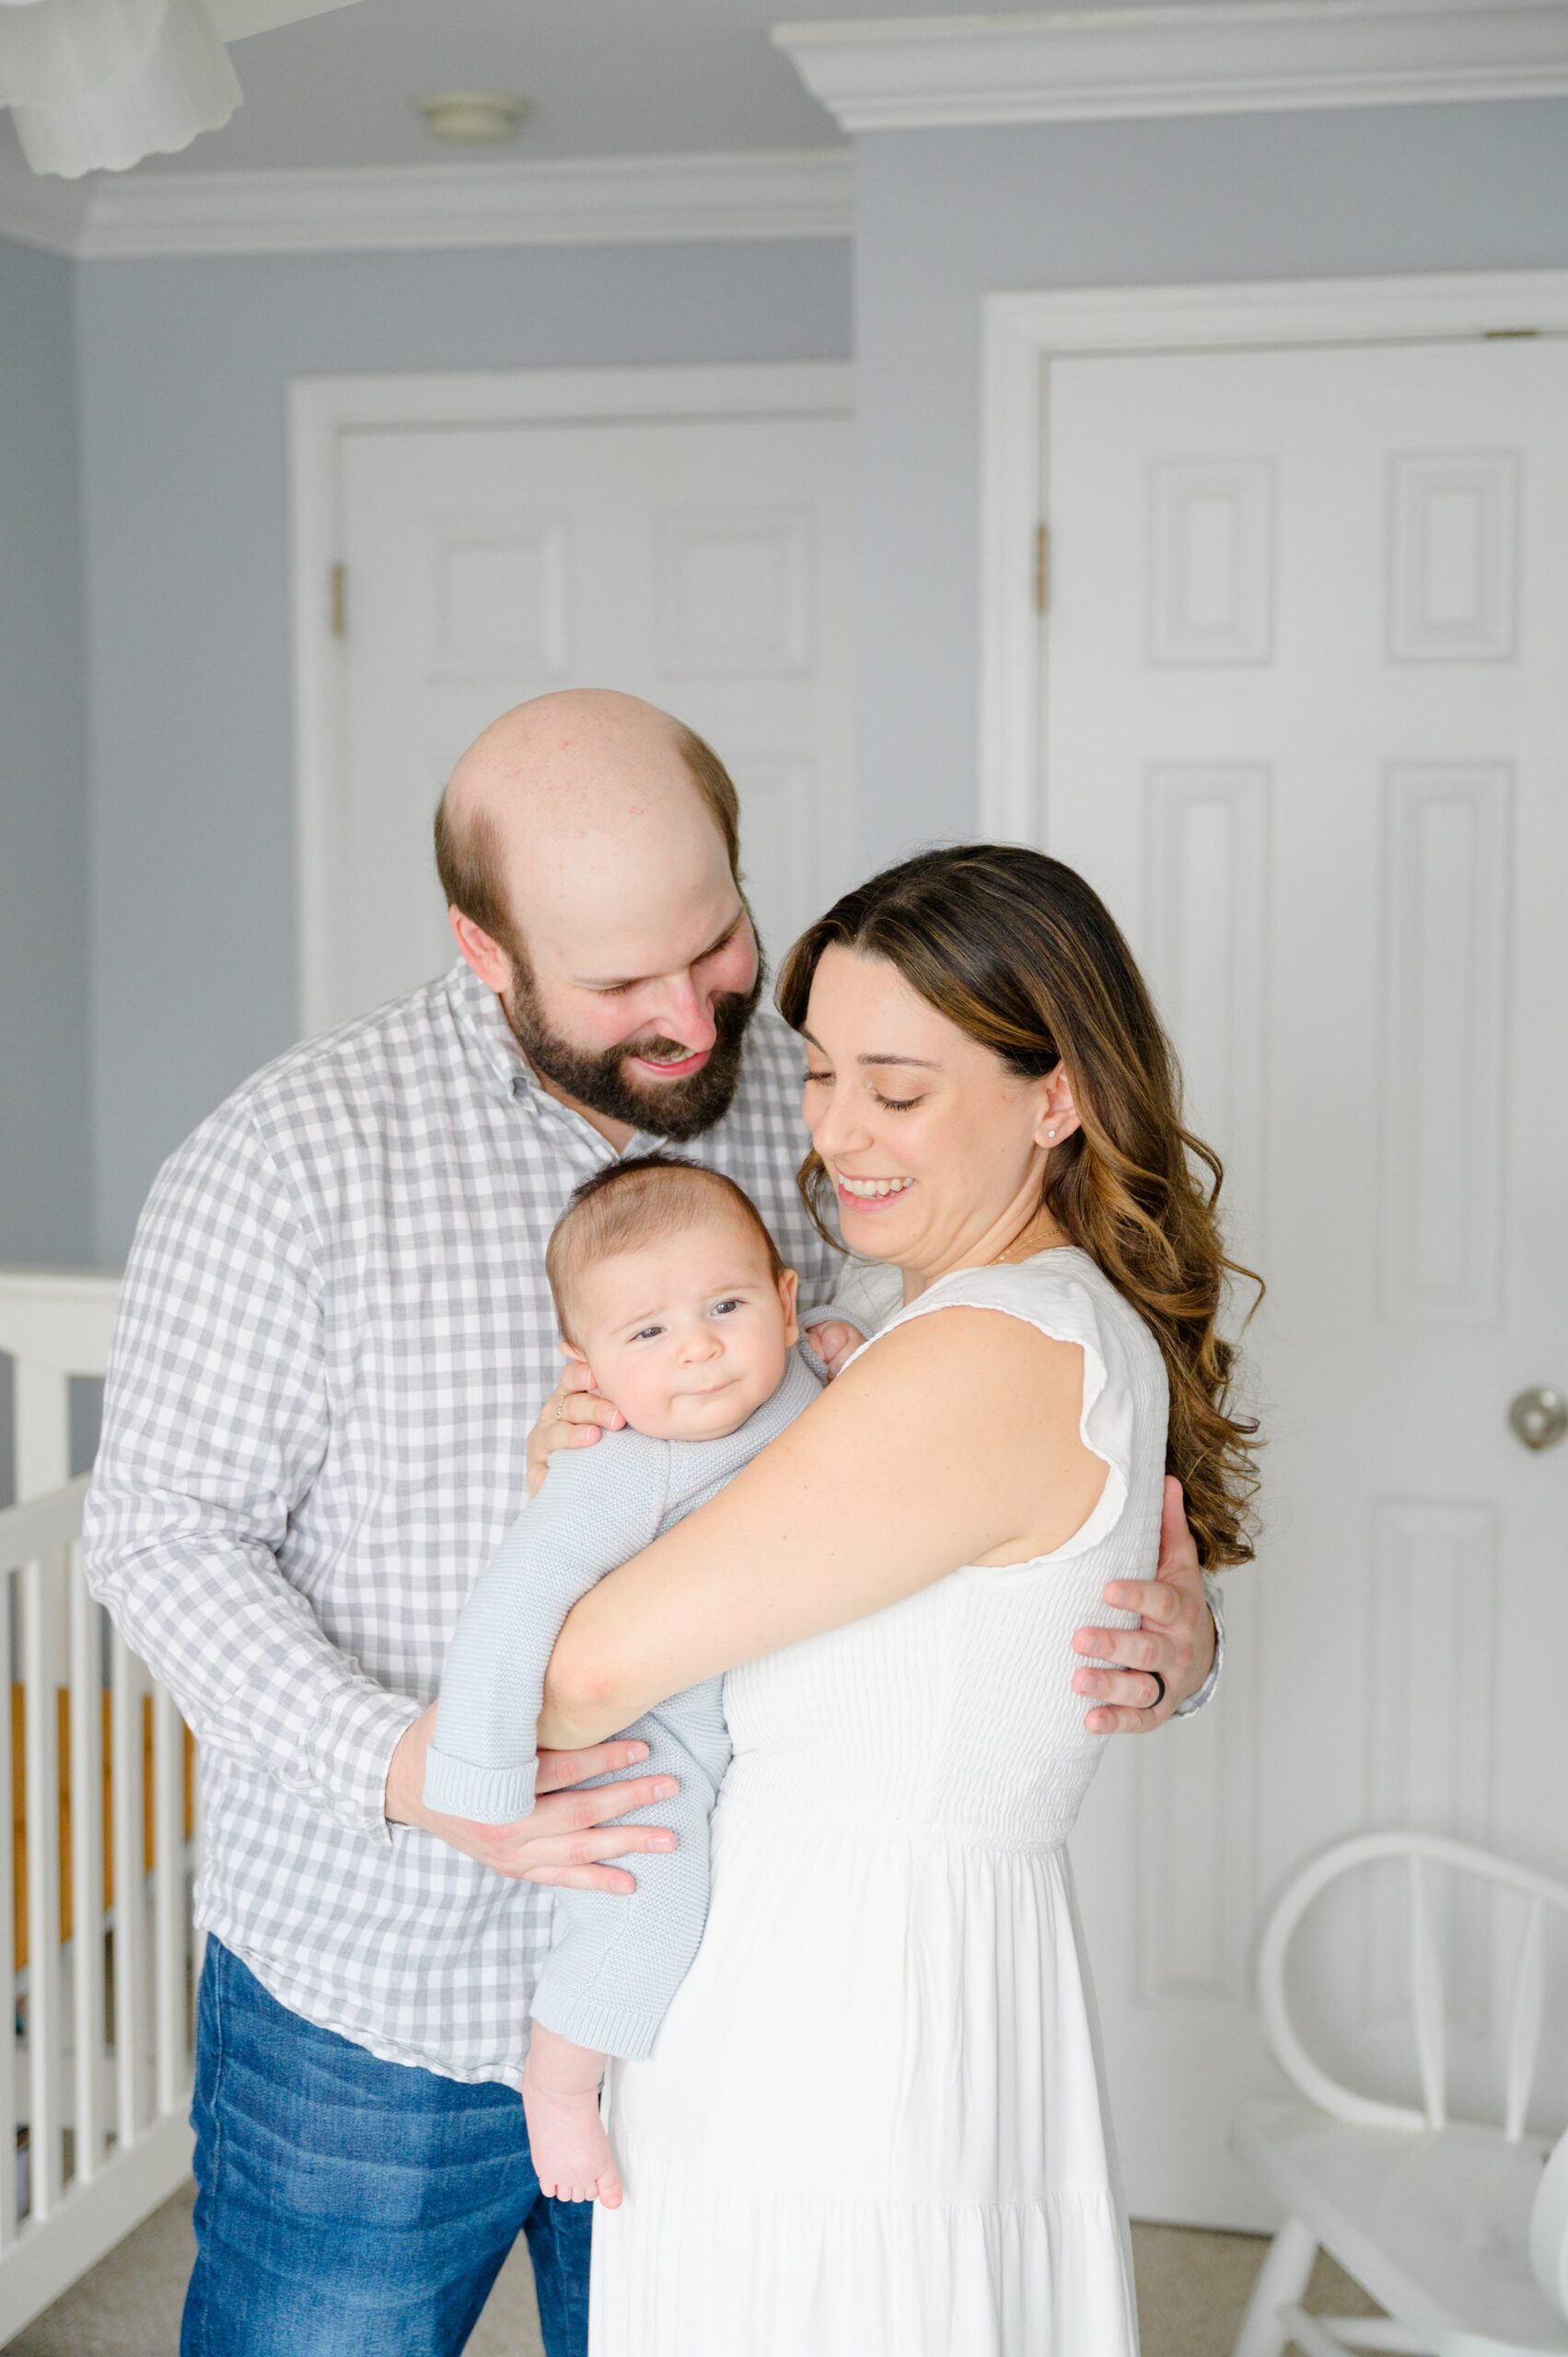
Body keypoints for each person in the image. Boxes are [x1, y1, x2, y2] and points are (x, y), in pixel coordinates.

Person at [83, 690, 1222, 2357]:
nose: (697, 1022)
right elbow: (158, 1538)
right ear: (486, 951)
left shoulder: (817, 1097)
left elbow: (953, 1469)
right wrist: (407, 1767)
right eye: (623, 987)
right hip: (386, 1991)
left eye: (717, 947)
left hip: (715, 1995)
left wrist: (1148, 1634)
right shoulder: (289, 1162)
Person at [524, 842, 1260, 2357]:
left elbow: (589, 1669)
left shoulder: (985, 1349)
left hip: (846, 2008)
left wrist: (573, 1543)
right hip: (860, 1967)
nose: (838, 1135)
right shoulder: (898, 1315)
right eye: (817, 1075)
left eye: (898, 1089)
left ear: (1055, 1095)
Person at [425, 1155, 829, 2210]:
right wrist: (477, 1779)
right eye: (645, 1333)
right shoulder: (616, 1459)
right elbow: (513, 1603)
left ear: (786, 1303)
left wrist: (846, 1350)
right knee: (651, 1898)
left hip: (775, 1721)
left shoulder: (811, 1375)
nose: (695, 1346)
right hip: (661, 1738)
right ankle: (558, 2082)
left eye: (725, 1305)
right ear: (586, 1364)